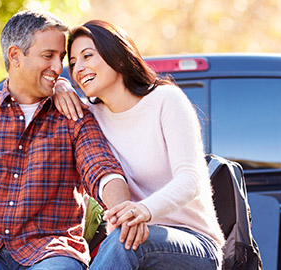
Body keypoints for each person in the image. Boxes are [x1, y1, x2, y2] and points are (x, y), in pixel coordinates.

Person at [0, 11, 135, 270]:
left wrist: (123, 210)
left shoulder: (73, 115)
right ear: (15, 56)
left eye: (60, 58)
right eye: (48, 56)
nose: (59, 68)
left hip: (51, 253)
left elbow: (102, 170)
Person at [53, 20, 225, 270]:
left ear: (119, 58)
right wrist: (60, 85)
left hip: (194, 243)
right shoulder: (89, 115)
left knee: (124, 242)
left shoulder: (166, 100)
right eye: (73, 63)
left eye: (87, 56)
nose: (79, 67)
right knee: (120, 242)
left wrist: (143, 210)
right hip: (130, 236)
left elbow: (191, 179)